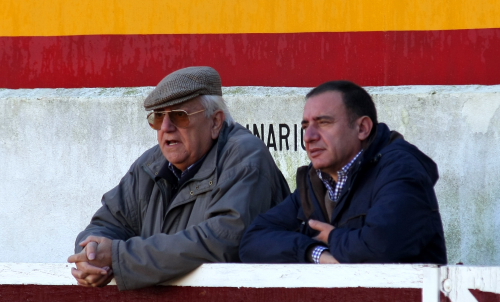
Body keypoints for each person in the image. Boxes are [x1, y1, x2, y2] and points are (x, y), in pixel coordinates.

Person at [68, 66, 290, 290]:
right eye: (158, 117)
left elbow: (221, 240)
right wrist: (93, 253)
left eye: (179, 116)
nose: (165, 127)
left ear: (215, 122)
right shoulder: (150, 164)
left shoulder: (245, 156)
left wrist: (119, 257)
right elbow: (107, 223)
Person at [239, 80, 447, 265]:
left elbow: (380, 248)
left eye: (324, 123)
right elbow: (252, 242)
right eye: (305, 126)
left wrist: (333, 238)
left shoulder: (400, 169)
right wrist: (314, 251)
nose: (309, 136)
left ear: (363, 128)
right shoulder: (316, 182)